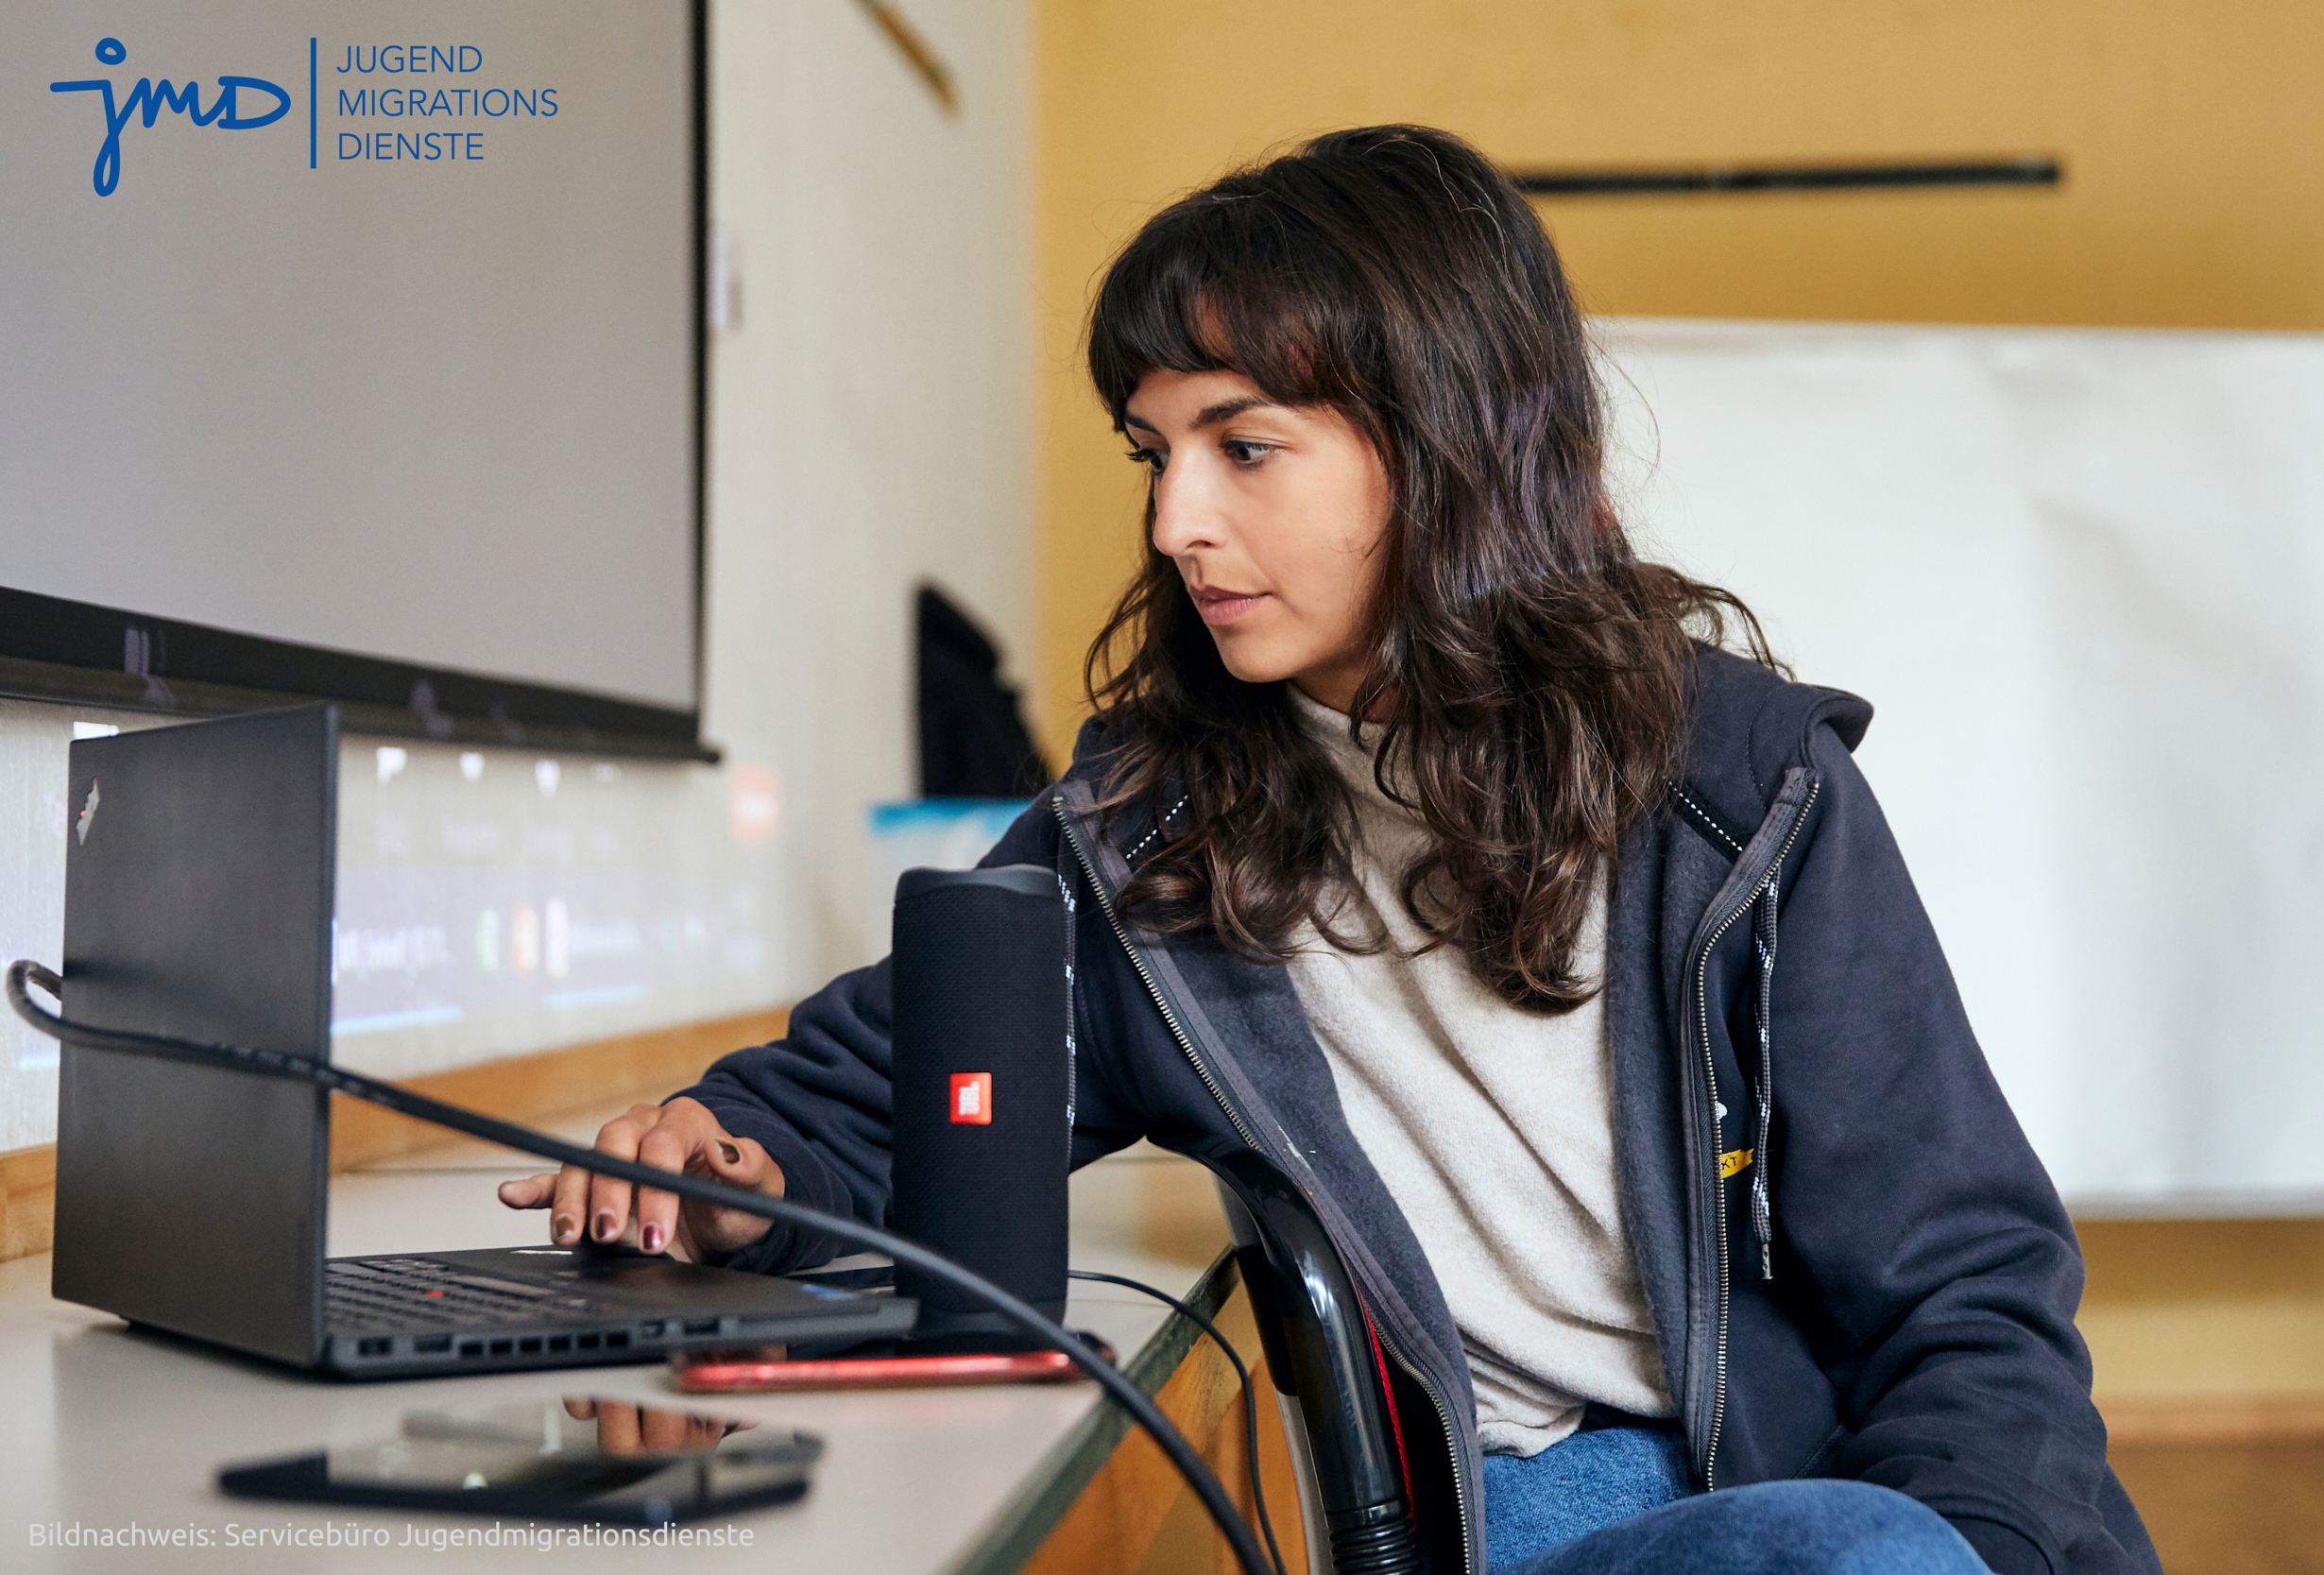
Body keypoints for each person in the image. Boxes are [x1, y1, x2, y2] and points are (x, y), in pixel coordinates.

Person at [497, 126, 2161, 1575]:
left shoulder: (1742, 792)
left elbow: (1967, 1284)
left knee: (1866, 1548)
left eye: (1243, 445)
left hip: (1817, 1479)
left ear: (1440, 445)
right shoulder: (1149, 834)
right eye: (1156, 456)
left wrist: (1970, 1549)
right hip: (1522, 1503)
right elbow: (884, 1091)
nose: (1175, 525)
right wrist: (724, 1170)